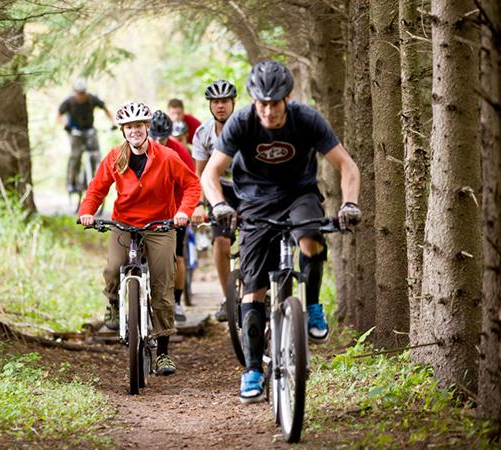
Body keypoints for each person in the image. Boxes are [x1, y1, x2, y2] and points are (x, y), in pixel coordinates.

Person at [201, 61, 361, 403]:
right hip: (254, 201)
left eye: (275, 103)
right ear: (253, 100)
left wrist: (349, 204)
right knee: (253, 290)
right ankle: (253, 370)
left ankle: (313, 304)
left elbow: (346, 165)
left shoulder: (307, 119)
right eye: (262, 103)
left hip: (298, 194)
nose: (269, 111)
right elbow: (211, 173)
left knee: (311, 239)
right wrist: (219, 205)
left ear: (288, 98)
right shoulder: (241, 122)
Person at [79, 101, 201, 376]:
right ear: (123, 131)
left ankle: (163, 353)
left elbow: (192, 184)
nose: (134, 131)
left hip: (160, 225)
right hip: (123, 223)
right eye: (129, 127)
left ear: (147, 128)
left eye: (139, 126)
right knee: (113, 268)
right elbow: (96, 189)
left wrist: (183, 212)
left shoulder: (167, 156)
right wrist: (87, 212)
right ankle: (112, 303)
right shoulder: (114, 157)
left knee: (162, 282)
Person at [189, 80, 240, 323]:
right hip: (219, 190)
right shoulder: (202, 133)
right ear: (210, 105)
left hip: (249, 189)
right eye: (216, 102)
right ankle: (227, 298)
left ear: (233, 103)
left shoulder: (246, 127)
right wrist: (199, 204)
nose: (220, 106)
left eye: (225, 101)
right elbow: (199, 173)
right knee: (221, 242)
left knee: (255, 239)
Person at [149, 110, 196, 323]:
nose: (159, 142)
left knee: (176, 256)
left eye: (163, 138)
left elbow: (191, 183)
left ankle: (176, 301)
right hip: (148, 209)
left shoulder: (179, 151)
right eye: (155, 137)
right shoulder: (140, 148)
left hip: (175, 210)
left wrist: (185, 211)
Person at [57, 78, 117, 193]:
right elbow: (59, 115)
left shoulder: (91, 99)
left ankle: (99, 179)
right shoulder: (69, 101)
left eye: (83, 92)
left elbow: (105, 108)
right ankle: (71, 183)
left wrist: (113, 122)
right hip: (75, 132)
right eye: (79, 93)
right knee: (76, 155)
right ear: (74, 92)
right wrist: (66, 126)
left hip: (90, 130)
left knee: (96, 154)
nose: (81, 95)